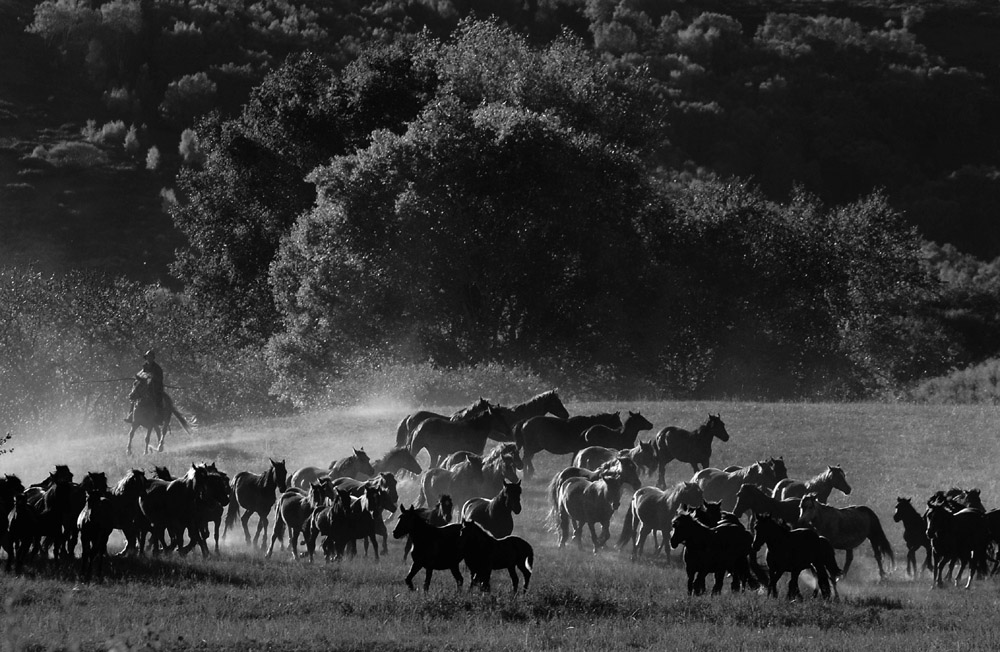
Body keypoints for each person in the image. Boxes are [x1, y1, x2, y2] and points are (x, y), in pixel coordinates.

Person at [125, 349, 165, 423]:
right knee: (134, 396)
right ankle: (131, 415)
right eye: (147, 357)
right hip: (145, 387)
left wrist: (152, 379)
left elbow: (159, 378)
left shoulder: (157, 368)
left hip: (155, 388)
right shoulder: (144, 366)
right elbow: (141, 374)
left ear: (153, 358)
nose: (149, 358)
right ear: (146, 358)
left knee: (158, 400)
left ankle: (159, 418)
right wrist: (137, 378)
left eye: (150, 357)